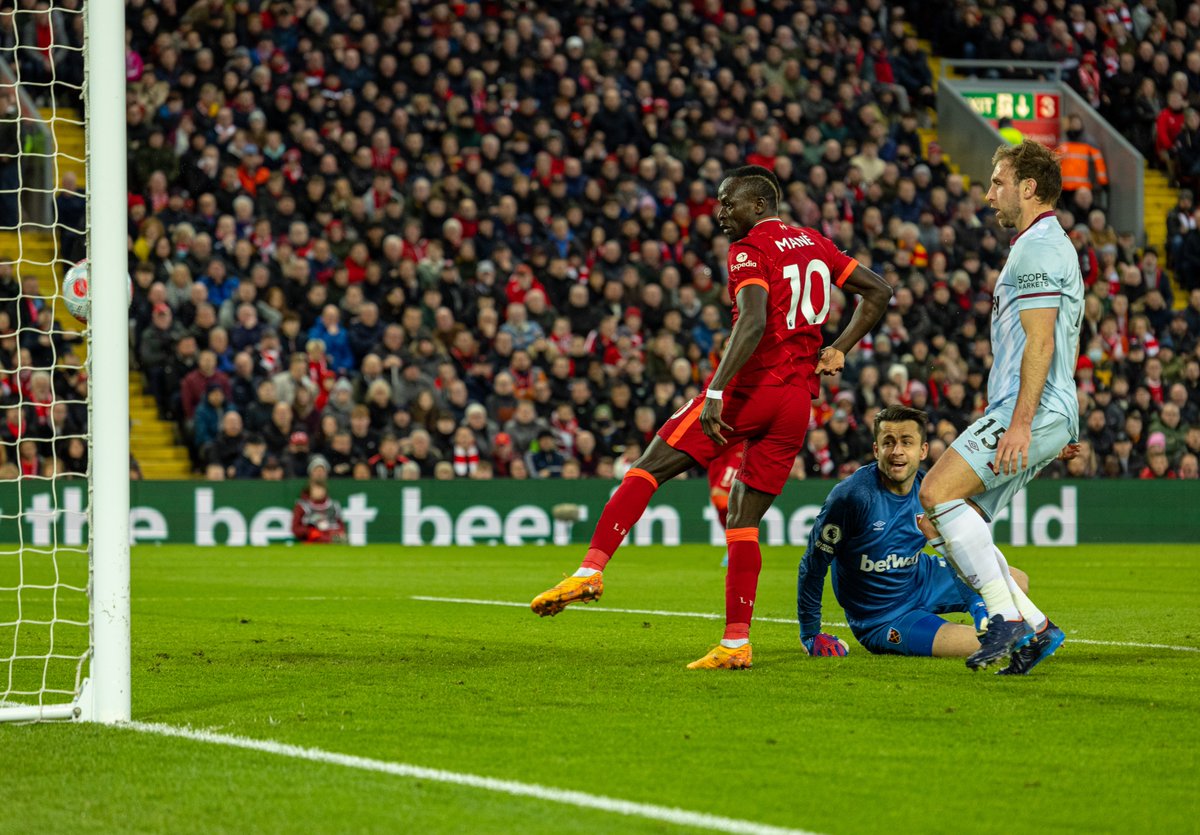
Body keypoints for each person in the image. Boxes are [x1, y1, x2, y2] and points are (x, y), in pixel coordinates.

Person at [530, 165, 892, 669]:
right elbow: (879, 291)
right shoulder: (816, 243)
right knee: (743, 522)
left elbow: (753, 320)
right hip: (795, 402)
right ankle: (736, 643)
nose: (720, 213)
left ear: (758, 205)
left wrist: (717, 390)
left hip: (750, 389)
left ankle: (591, 570)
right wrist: (840, 348)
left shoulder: (749, 249)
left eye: (728, 202)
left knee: (647, 467)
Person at [919, 140, 1079, 673]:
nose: (990, 195)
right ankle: (1037, 628)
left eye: (998, 182)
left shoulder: (1038, 248)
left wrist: (1024, 425)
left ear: (1028, 188)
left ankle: (1005, 618)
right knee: (947, 525)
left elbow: (1042, 341)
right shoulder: (1045, 244)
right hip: (1042, 409)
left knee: (936, 492)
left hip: (1028, 409)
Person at [798, 406, 1041, 664]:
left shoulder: (931, 493)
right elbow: (813, 564)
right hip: (883, 617)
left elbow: (955, 553)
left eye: (906, 442)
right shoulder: (853, 497)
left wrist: (976, 604)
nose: (897, 451)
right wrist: (811, 634)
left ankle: (981, 621)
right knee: (989, 641)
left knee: (1018, 581)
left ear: (922, 450)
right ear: (876, 450)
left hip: (921, 578)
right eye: (888, 442)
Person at [292, 456, 347, 543]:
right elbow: (296, 528)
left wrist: (337, 533)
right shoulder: (302, 506)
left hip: (331, 540)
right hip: (311, 541)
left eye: (321, 488)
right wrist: (310, 532)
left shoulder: (333, 505)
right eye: (316, 488)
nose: (319, 492)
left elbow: (340, 526)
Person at [709, 442, 745, 568]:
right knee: (719, 504)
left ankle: (736, 545)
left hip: (736, 446)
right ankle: (735, 545)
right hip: (717, 452)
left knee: (720, 496)